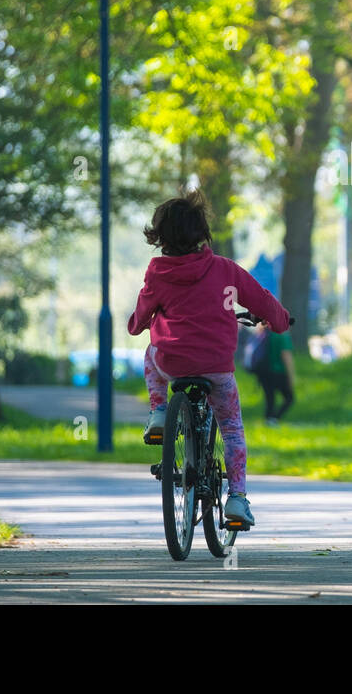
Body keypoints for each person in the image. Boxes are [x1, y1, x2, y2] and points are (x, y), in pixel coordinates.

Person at [128, 187, 290, 527]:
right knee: (231, 429)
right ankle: (237, 500)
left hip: (171, 361)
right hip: (217, 367)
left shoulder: (158, 272)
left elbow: (140, 319)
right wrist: (279, 320)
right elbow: (261, 299)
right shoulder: (226, 270)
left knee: (149, 352)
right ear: (203, 233)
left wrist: (137, 322)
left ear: (161, 237)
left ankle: (159, 412)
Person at [255, 320, 296, 425]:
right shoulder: (282, 336)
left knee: (270, 398)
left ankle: (268, 419)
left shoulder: (265, 334)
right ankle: (274, 418)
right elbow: (286, 357)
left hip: (264, 371)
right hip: (279, 372)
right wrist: (291, 377)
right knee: (289, 398)